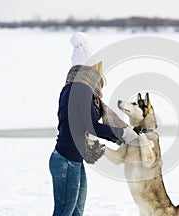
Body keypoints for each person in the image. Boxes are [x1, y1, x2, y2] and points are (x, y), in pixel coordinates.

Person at [49, 32, 138, 216]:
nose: (101, 69)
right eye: (98, 64)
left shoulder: (74, 87)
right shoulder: (79, 89)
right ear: (90, 65)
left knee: (76, 212)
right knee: (65, 212)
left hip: (71, 159)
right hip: (66, 160)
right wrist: (124, 133)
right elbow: (92, 126)